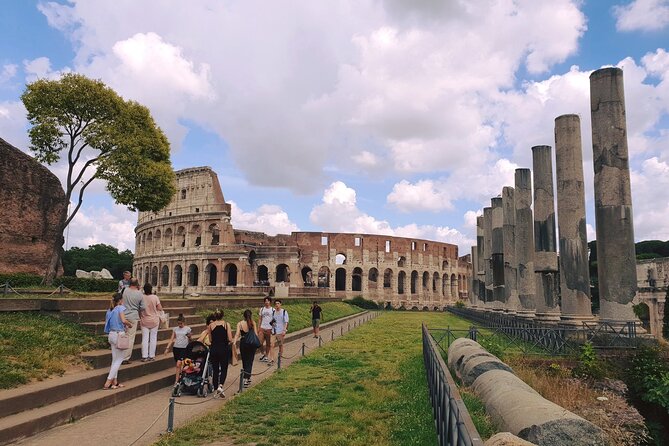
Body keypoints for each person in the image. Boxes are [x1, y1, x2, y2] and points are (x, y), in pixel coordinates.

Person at [103, 293, 132, 389]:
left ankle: (115, 381)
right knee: (119, 359)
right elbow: (123, 320)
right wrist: (129, 324)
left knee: (114, 359)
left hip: (111, 334)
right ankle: (108, 381)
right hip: (119, 334)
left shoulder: (110, 310)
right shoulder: (120, 308)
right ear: (120, 301)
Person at [207, 310, 233, 397]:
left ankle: (215, 389)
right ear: (222, 315)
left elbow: (210, 339)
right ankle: (220, 385)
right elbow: (229, 338)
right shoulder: (226, 324)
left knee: (215, 369)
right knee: (224, 368)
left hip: (214, 348)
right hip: (223, 348)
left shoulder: (210, 325)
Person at [122, 279, 145, 364]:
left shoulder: (124, 290)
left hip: (123, 315)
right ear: (137, 284)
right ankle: (125, 357)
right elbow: (143, 307)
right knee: (130, 337)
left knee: (122, 335)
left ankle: (119, 355)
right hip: (133, 316)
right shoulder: (139, 293)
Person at [233, 309, 259, 388]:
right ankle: (247, 378)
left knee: (244, 360)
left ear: (243, 316)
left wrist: (234, 342)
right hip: (251, 343)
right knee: (250, 360)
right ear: (251, 315)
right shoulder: (253, 323)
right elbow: (256, 334)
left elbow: (237, 334)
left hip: (243, 343)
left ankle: (246, 375)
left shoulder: (240, 323)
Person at [165, 314, 192, 384]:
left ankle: (176, 381)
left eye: (181, 323)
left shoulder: (187, 329)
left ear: (184, 322)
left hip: (184, 348)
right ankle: (179, 378)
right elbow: (172, 339)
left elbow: (190, 340)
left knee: (178, 363)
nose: (180, 325)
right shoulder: (175, 329)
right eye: (178, 323)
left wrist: (189, 337)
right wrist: (168, 347)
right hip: (176, 348)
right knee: (178, 365)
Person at [140, 284, 163, 362]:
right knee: (153, 338)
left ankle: (144, 356)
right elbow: (160, 308)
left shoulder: (142, 297)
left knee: (145, 338)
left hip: (144, 319)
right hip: (154, 320)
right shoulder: (155, 297)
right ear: (151, 289)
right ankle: (152, 356)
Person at [257, 296, 275, 365]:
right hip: (262, 328)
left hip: (269, 328)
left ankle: (267, 356)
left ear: (270, 302)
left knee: (268, 343)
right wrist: (258, 327)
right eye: (265, 301)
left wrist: (273, 328)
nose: (266, 302)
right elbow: (260, 319)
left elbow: (274, 320)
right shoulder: (262, 309)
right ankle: (263, 353)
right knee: (259, 342)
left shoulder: (273, 310)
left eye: (268, 301)